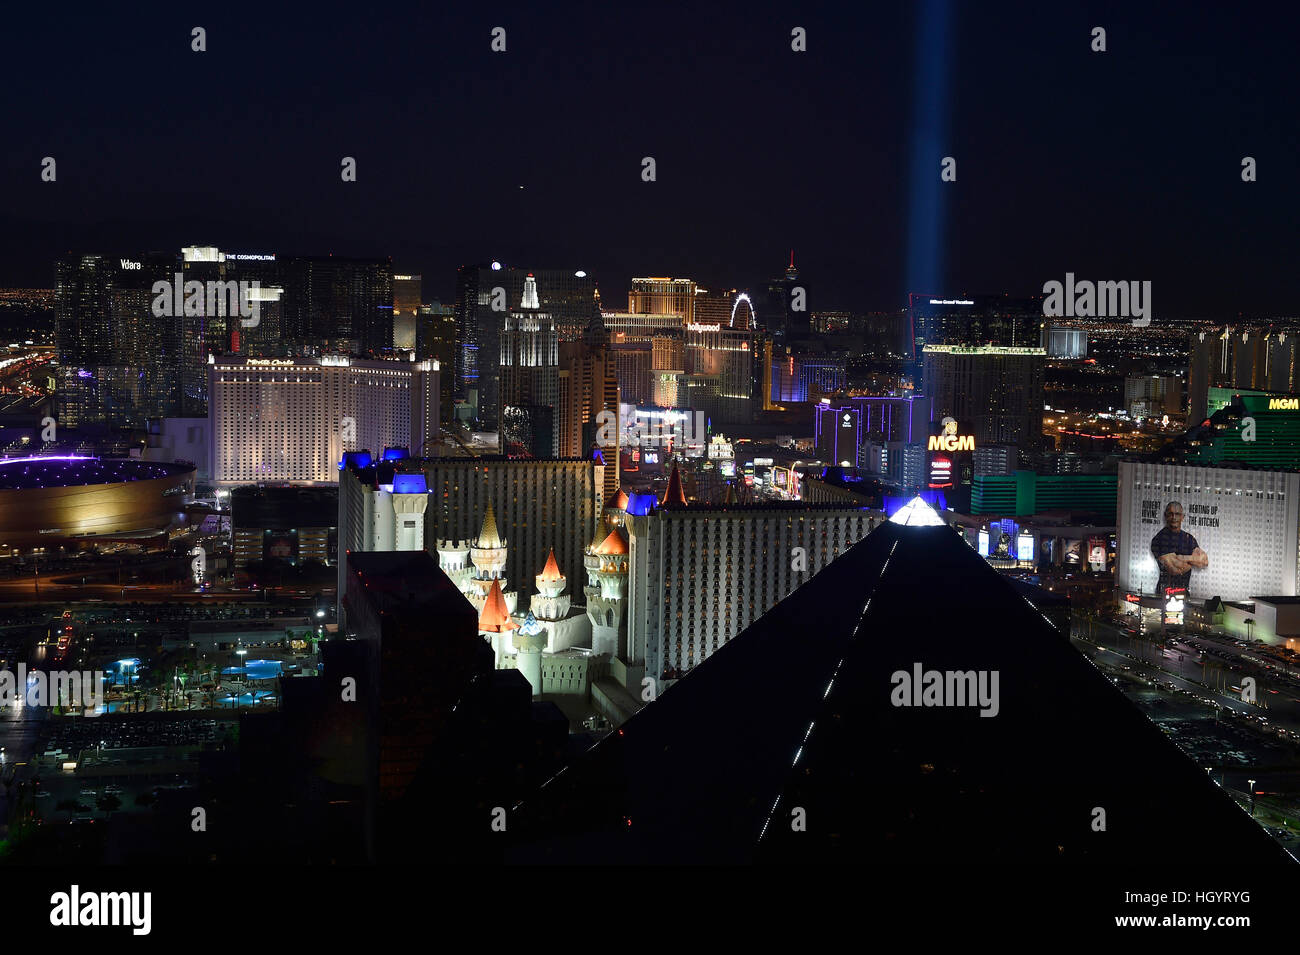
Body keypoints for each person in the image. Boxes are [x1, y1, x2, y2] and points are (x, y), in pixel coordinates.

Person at [1149, 501, 1208, 594]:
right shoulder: (1159, 539)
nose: (1174, 517)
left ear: (1182, 517)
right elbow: (1174, 569)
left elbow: (1203, 561)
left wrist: (1181, 558)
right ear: (1165, 515)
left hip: (1184, 593)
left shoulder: (1189, 538)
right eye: (1171, 514)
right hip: (1164, 593)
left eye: (1177, 514)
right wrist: (1192, 561)